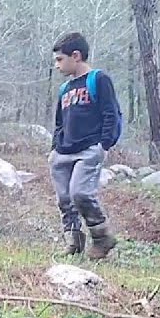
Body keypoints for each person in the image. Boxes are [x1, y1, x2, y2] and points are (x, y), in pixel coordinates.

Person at [50, 31, 121, 260]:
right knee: (64, 199)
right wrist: (55, 149)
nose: (57, 65)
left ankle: (102, 237)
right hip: (63, 152)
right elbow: (59, 122)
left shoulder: (98, 80)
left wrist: (104, 144)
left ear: (76, 56)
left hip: (89, 149)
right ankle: (73, 241)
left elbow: (111, 113)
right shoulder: (65, 89)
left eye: (60, 59)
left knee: (80, 193)